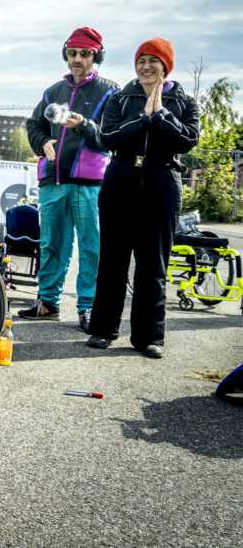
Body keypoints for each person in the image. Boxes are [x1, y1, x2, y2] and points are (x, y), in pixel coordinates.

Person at [87, 38, 199, 358]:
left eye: (153, 60)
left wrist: (160, 113)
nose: (146, 66)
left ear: (166, 66)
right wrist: (143, 118)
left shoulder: (184, 102)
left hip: (162, 181)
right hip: (121, 178)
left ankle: (149, 336)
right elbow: (107, 136)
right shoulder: (120, 98)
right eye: (141, 61)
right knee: (112, 261)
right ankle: (103, 329)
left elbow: (188, 139)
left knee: (153, 264)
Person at [22, 27, 120, 332]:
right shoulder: (52, 91)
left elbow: (111, 136)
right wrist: (42, 143)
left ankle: (88, 306)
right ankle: (48, 302)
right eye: (72, 53)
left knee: (92, 248)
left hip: (90, 184)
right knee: (52, 244)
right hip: (54, 180)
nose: (77, 59)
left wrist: (84, 126)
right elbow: (34, 124)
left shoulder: (111, 91)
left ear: (97, 56)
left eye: (85, 54)